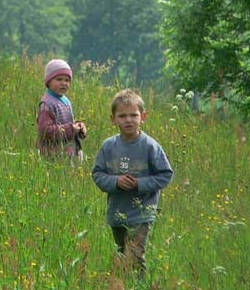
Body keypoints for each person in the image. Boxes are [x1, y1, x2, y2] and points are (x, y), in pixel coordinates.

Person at [92, 89, 174, 275]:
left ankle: (137, 285)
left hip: (142, 213)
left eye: (133, 115)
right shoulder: (108, 146)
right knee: (122, 254)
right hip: (117, 212)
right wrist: (115, 182)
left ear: (142, 116)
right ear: (113, 119)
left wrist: (139, 184)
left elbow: (165, 175)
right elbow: (97, 174)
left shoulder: (150, 146)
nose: (128, 120)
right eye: (122, 116)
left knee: (135, 256)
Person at [36, 59, 87, 161]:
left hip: (68, 154)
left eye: (67, 80)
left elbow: (66, 122)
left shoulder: (65, 100)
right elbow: (45, 131)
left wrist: (79, 126)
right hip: (54, 156)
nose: (64, 83)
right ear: (48, 81)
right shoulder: (47, 104)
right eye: (59, 79)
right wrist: (71, 129)